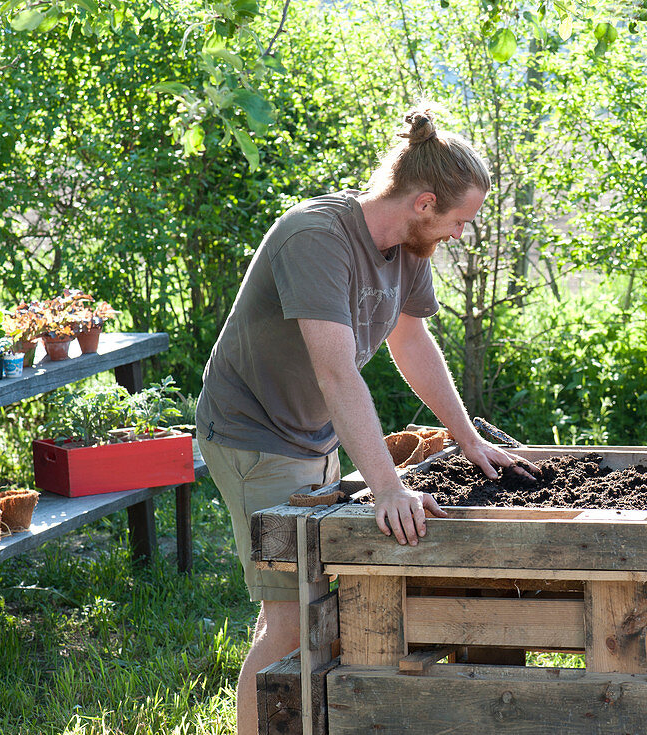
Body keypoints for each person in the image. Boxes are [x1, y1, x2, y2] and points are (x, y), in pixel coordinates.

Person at [196, 105, 536, 735]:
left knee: (307, 600)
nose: (462, 234)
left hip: (315, 432)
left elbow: (413, 343)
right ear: (424, 203)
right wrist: (385, 484)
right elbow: (337, 371)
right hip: (255, 433)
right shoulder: (315, 238)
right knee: (289, 616)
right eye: (460, 221)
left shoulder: (408, 247)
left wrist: (467, 439)